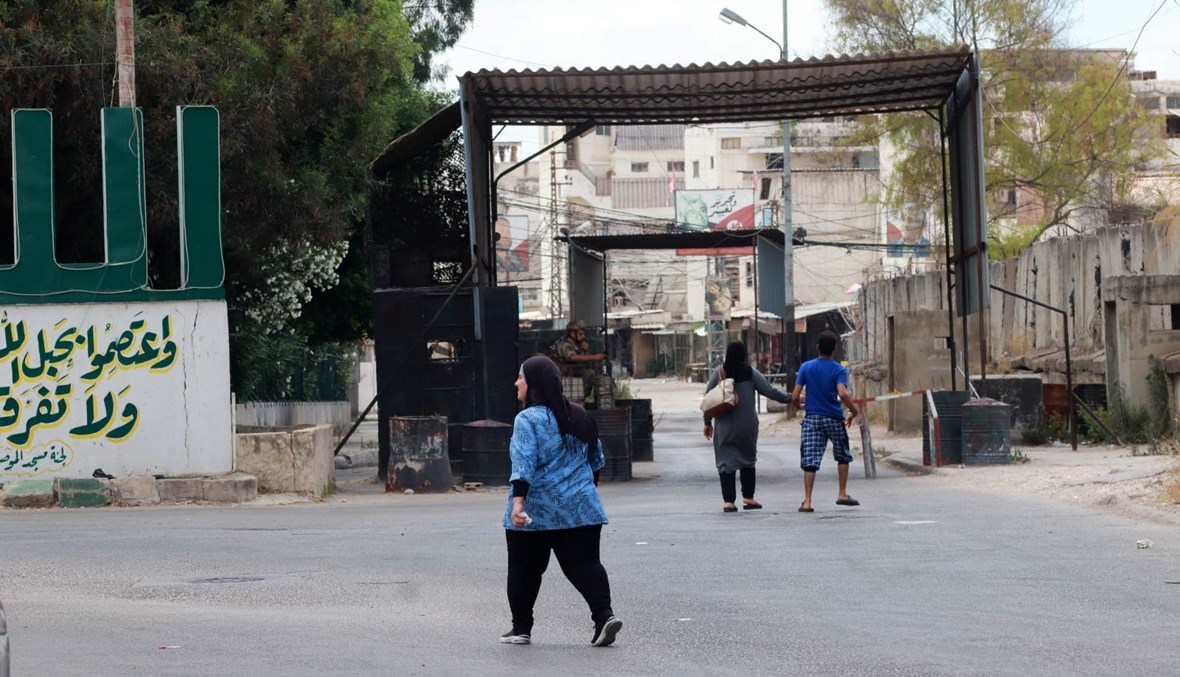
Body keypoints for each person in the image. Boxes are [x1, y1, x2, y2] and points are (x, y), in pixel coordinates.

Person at [501, 355, 623, 648]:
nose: (516, 383)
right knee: (585, 564)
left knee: (524, 568)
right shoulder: (580, 415)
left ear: (533, 383)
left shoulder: (527, 419)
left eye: (521, 377)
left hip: (536, 511)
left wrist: (518, 504)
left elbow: (524, 463)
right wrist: (583, 493)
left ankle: (521, 628)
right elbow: (597, 460)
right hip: (581, 509)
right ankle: (604, 616)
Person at [702, 341, 793, 512]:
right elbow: (770, 391)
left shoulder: (719, 372)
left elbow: (708, 399)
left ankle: (729, 502)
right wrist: (791, 398)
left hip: (724, 425)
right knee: (748, 459)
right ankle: (748, 498)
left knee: (725, 461)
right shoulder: (751, 372)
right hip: (747, 424)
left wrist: (707, 422)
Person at [790, 331, 861, 513]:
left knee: (810, 459)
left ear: (817, 348)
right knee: (842, 454)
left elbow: (795, 396)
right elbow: (842, 393)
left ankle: (807, 501)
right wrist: (853, 411)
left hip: (812, 419)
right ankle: (842, 493)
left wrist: (800, 406)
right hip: (834, 418)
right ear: (835, 349)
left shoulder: (806, 367)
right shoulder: (839, 370)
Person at [550, 320, 608, 406]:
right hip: (561, 377)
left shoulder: (578, 344)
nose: (583, 337)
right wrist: (594, 357)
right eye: (580, 334)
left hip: (573, 377)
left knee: (590, 373)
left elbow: (587, 365)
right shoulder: (563, 343)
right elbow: (572, 357)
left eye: (584, 334)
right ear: (573, 333)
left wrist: (586, 350)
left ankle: (583, 398)